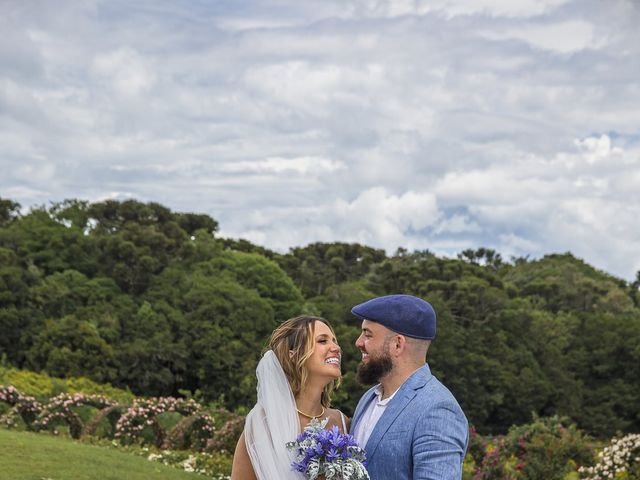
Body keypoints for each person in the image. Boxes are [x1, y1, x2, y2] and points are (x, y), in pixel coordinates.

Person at [350, 294, 468, 479]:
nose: (359, 342)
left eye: (368, 334)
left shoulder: (437, 409)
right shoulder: (368, 398)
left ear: (397, 344)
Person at [231, 315, 348, 479]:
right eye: (323, 341)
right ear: (294, 354)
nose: (336, 347)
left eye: (335, 341)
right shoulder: (263, 424)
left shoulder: (343, 422)